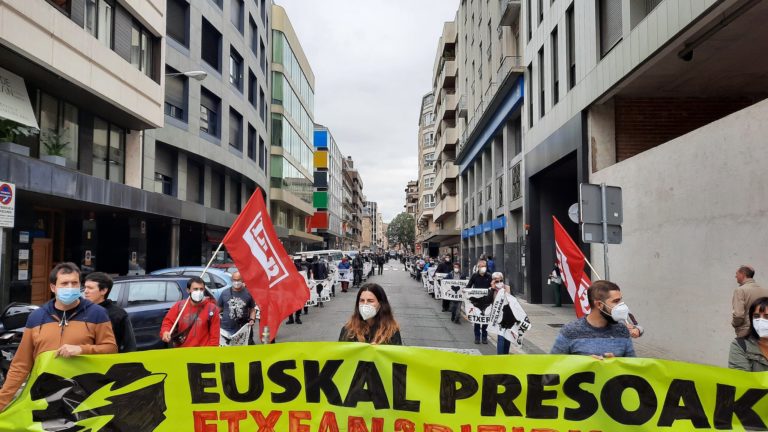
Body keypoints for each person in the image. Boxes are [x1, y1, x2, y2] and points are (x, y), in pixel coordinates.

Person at [0, 262, 117, 411]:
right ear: (53, 287)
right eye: (64, 283)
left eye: (74, 283)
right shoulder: (37, 317)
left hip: (84, 397)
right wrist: (2, 400)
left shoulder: (97, 313)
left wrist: (82, 350)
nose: (70, 287)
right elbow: (21, 364)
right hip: (43, 397)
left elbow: (111, 349)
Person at [550, 280, 635, 358]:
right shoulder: (570, 330)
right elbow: (553, 366)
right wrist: (586, 364)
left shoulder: (622, 330)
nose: (621, 306)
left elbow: (633, 368)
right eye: (616, 301)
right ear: (599, 305)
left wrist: (616, 363)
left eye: (620, 301)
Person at [83, 271, 137, 353]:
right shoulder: (80, 310)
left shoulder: (118, 314)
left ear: (103, 291)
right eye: (85, 287)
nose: (85, 291)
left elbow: (129, 345)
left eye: (90, 288)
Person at [161, 276, 220, 347]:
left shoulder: (212, 309)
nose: (199, 292)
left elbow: (215, 335)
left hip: (203, 352)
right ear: (188, 290)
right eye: (195, 289)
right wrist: (165, 332)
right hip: (182, 351)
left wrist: (211, 352)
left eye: (201, 289)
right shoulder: (179, 306)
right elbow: (168, 322)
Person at [490, 272, 530, 355]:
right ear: (493, 281)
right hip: (499, 318)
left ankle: (506, 355)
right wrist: (493, 289)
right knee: (501, 337)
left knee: (508, 337)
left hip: (509, 317)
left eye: (501, 280)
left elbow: (514, 301)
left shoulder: (507, 288)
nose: (499, 282)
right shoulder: (491, 290)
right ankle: (500, 357)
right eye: (497, 281)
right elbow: (488, 301)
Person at [728, 297, 768, 371]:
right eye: (756, 316)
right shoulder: (741, 345)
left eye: (767, 316)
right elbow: (741, 379)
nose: (761, 321)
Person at [217, 272, 257, 345]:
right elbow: (218, 309)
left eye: (238, 280)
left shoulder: (248, 293)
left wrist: (252, 319)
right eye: (234, 280)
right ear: (231, 280)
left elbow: (252, 309)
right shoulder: (225, 293)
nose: (236, 282)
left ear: (242, 280)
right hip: (226, 328)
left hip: (242, 329)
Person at [731, 265, 768, 337]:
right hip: (764, 332)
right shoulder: (765, 291)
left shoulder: (740, 290)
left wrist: (734, 324)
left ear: (743, 274)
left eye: (737, 274)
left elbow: (738, 315)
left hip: (747, 332)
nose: (735, 276)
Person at [466, 259, 492, 344]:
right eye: (481, 266)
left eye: (484, 266)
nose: (483, 268)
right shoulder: (474, 276)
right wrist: (466, 291)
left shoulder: (489, 276)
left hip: (486, 301)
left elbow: (492, 287)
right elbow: (469, 285)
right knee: (477, 320)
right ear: (478, 267)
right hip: (476, 302)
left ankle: (484, 337)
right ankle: (477, 337)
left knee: (485, 321)